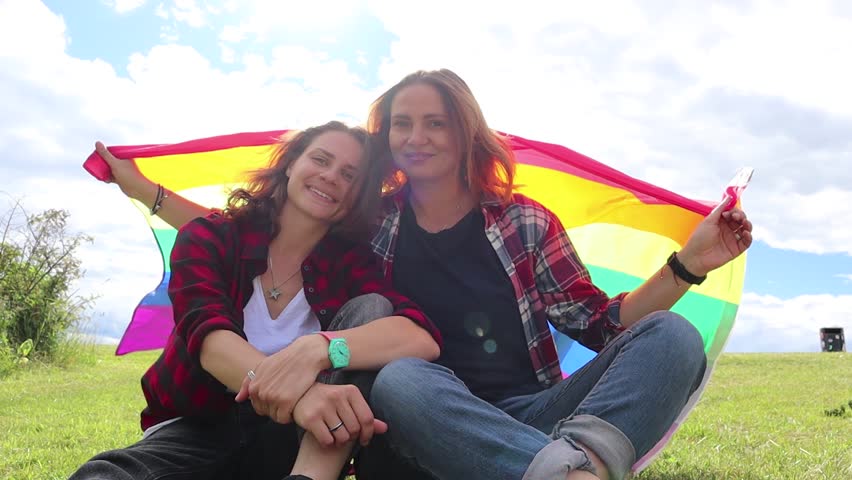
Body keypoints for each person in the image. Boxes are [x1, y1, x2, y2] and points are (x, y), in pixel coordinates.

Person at [98, 70, 753, 480]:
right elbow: (264, 226)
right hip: (417, 417)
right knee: (403, 376)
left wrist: (688, 263)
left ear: (465, 132)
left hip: (532, 417)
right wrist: (148, 191)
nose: (417, 136)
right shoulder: (368, 225)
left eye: (435, 122)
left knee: (670, 335)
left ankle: (565, 469)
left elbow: (603, 325)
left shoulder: (523, 223)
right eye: (402, 124)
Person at [69, 121, 441, 480]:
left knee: (373, 308)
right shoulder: (211, 237)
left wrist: (323, 349)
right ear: (292, 162)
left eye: (349, 175)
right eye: (321, 160)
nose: (331, 177)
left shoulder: (350, 265)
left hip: (300, 440)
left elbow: (420, 336)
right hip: (200, 425)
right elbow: (209, 341)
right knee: (103, 475)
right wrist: (302, 396)